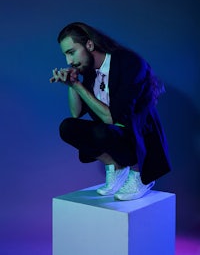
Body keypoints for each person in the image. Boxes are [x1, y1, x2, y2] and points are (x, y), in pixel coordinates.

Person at [50, 22, 171, 201]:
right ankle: (117, 168)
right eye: (65, 55)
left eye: (71, 52)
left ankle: (141, 177)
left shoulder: (129, 63)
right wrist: (72, 84)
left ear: (89, 45)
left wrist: (78, 85)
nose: (69, 61)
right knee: (67, 127)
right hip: (113, 133)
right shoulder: (90, 70)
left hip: (139, 138)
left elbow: (113, 117)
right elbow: (76, 113)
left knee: (102, 130)